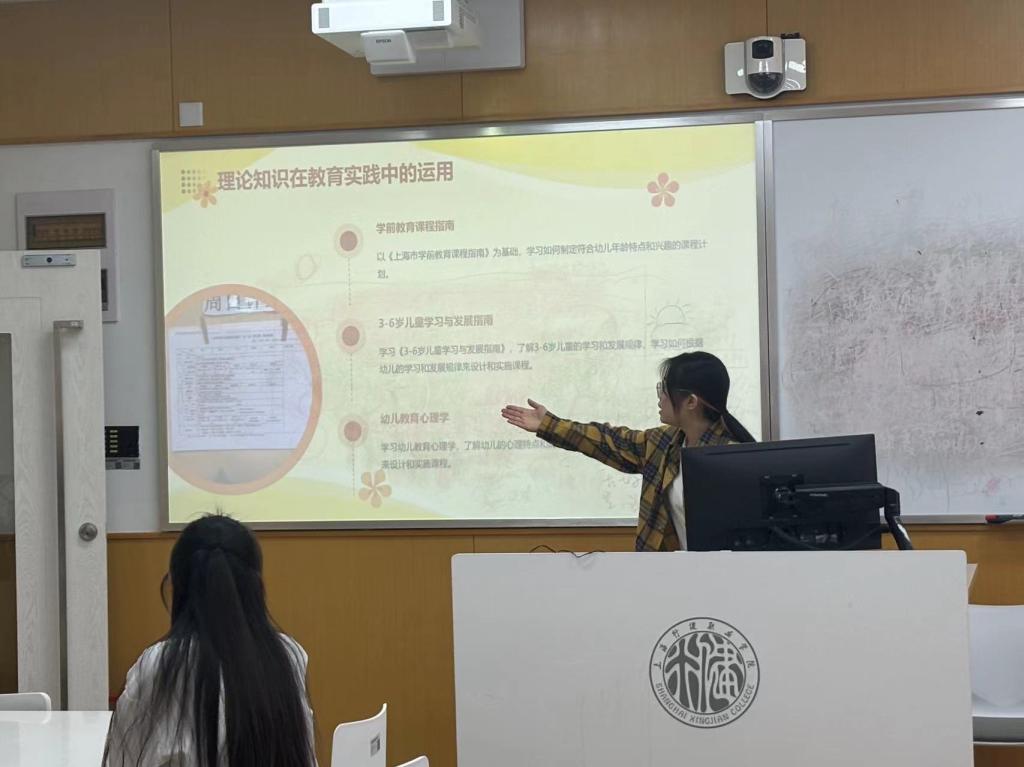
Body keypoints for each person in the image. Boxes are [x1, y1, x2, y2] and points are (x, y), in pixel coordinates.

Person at [104, 513, 317, 767]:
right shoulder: (288, 655)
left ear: (176, 586)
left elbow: (122, 758)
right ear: (257, 588)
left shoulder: (158, 663)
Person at [501, 351, 756, 552]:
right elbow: (608, 440)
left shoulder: (732, 460)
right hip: (668, 576)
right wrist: (549, 425)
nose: (660, 398)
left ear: (691, 402)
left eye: (665, 390)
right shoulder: (663, 443)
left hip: (720, 580)